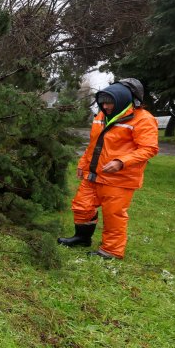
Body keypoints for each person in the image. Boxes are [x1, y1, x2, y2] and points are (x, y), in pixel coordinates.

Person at [57, 78, 158, 259]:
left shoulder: (144, 119)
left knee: (113, 215)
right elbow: (94, 144)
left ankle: (111, 251)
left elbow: (149, 149)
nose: (106, 106)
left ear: (123, 99)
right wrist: (83, 163)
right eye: (103, 102)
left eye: (109, 102)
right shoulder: (102, 116)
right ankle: (82, 238)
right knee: (82, 206)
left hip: (119, 179)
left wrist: (121, 161)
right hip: (94, 174)